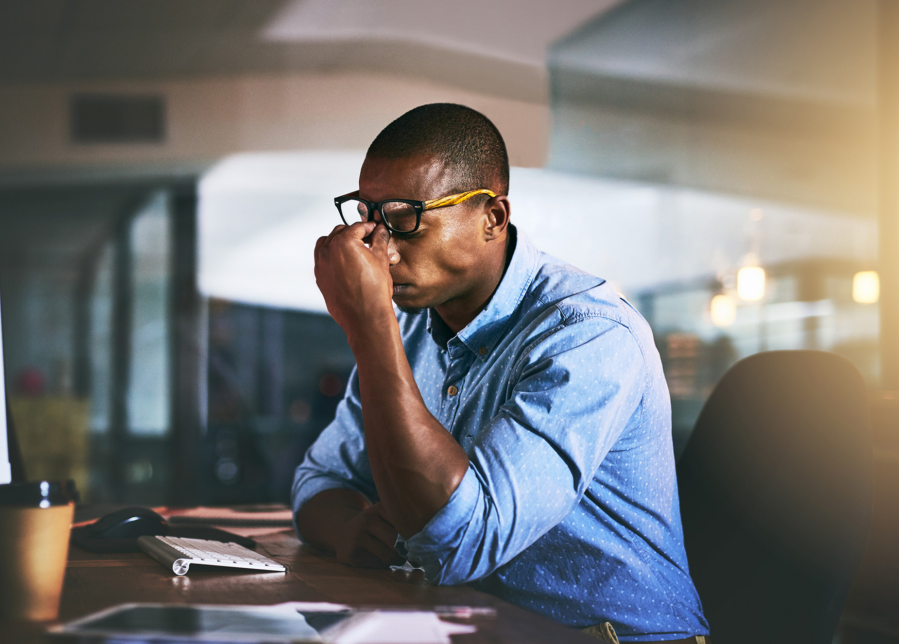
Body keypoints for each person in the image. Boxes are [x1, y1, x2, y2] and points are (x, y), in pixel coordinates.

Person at [291, 103, 709, 642]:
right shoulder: (415, 329)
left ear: (493, 217)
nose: (383, 252)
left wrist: (369, 325)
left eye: (405, 220)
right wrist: (349, 527)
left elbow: (459, 541)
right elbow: (318, 480)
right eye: (370, 219)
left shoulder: (589, 335)